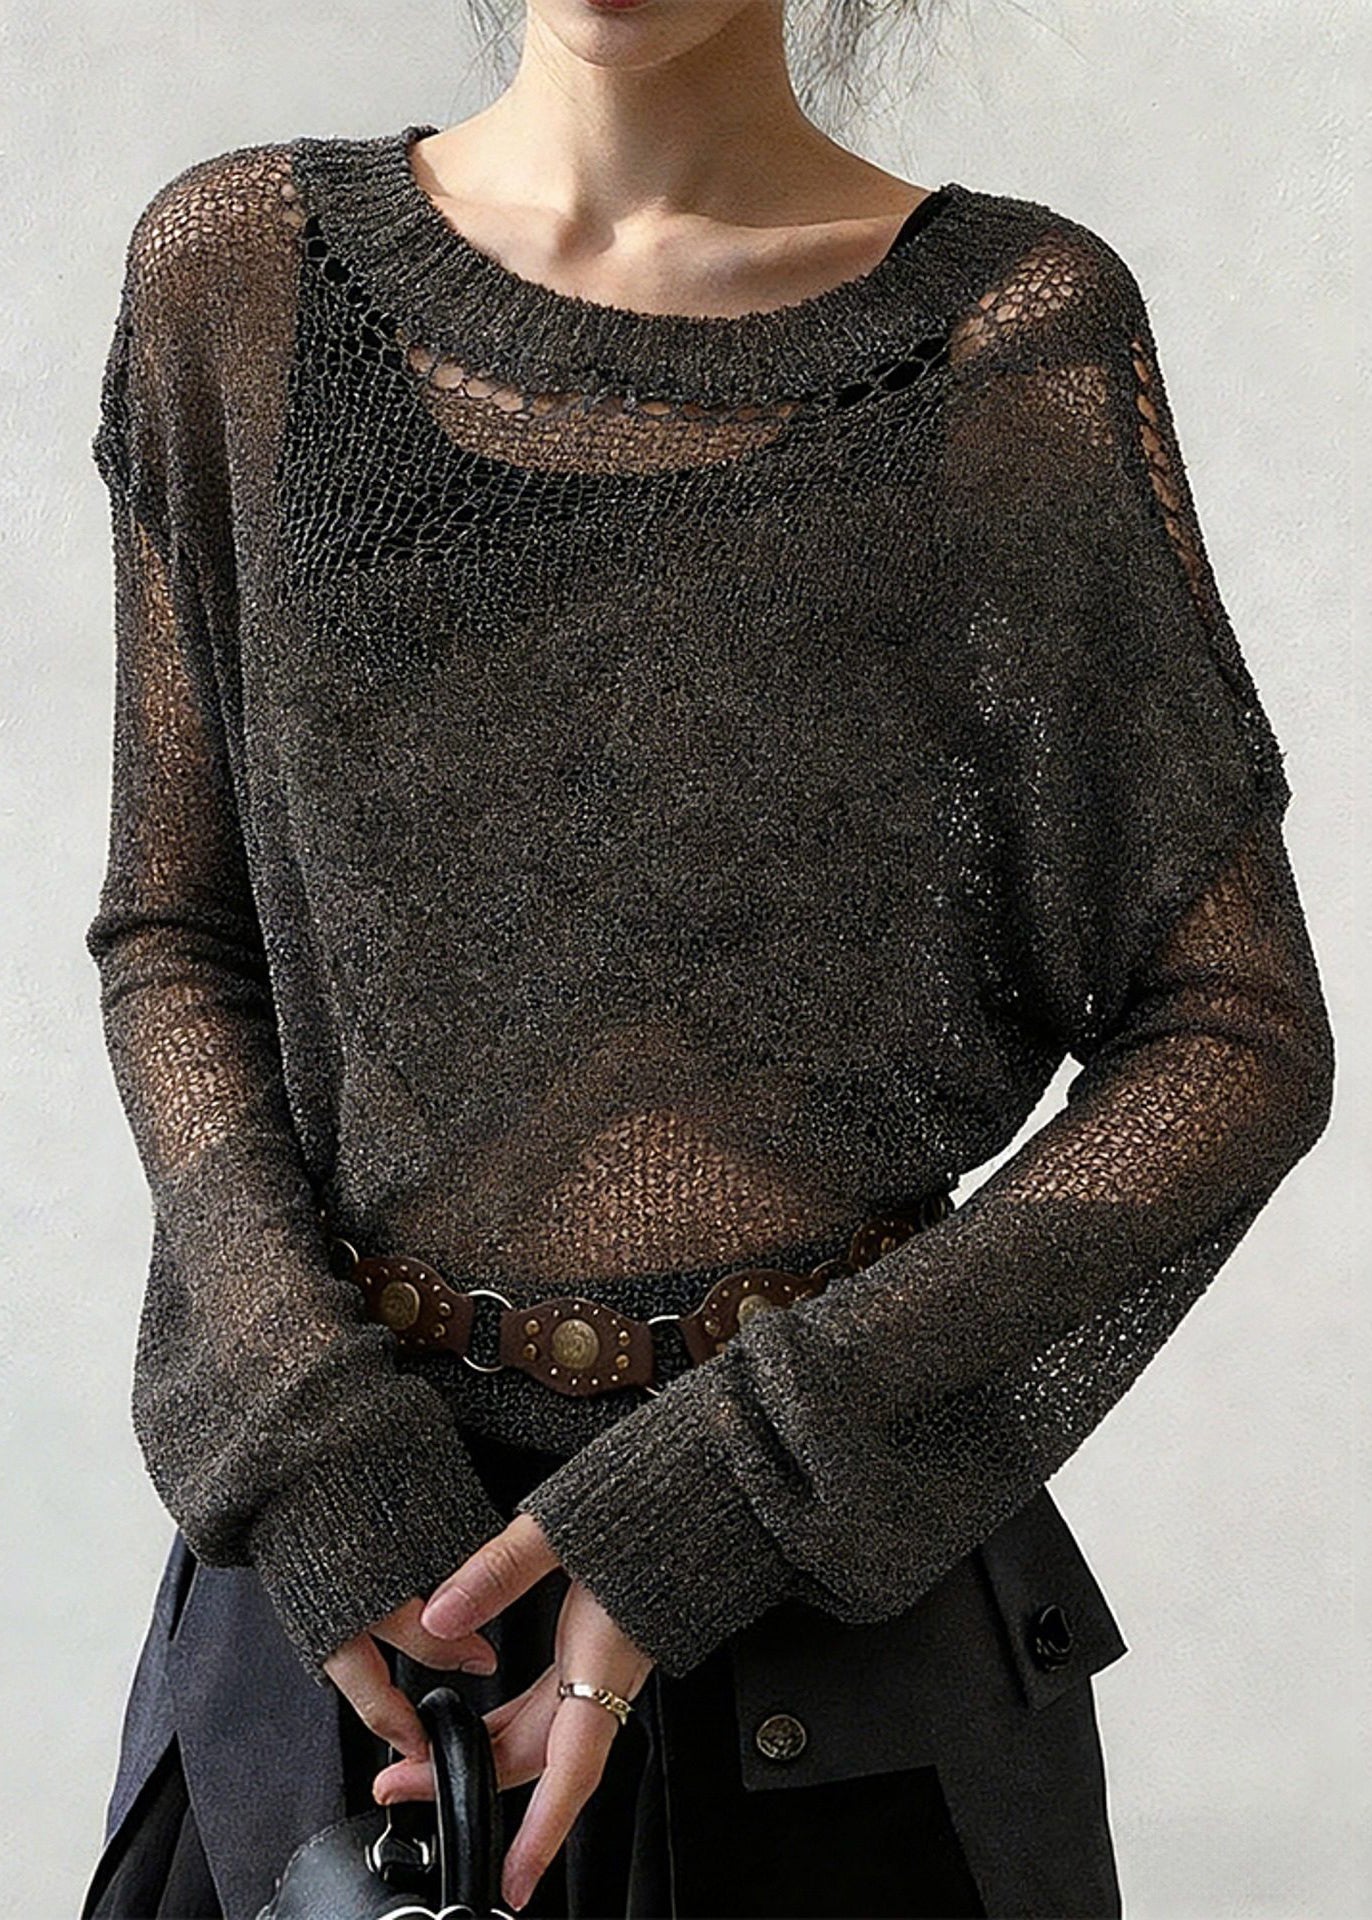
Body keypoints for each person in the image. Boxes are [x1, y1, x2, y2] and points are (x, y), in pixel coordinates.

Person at [77, 2, 1335, 1916]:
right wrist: (305, 1439)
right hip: (342, 1614)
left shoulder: (1005, 335)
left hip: (837, 1634)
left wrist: (723, 1487)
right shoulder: (238, 276)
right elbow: (181, 930)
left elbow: (1234, 1032)